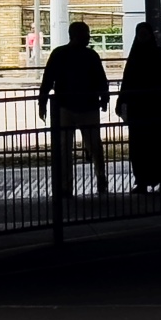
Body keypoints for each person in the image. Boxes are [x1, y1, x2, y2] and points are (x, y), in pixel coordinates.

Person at [39, 20, 110, 196]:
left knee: (64, 149)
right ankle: (100, 176)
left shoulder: (59, 54)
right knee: (94, 145)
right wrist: (104, 99)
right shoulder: (91, 55)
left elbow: (48, 79)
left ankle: (65, 186)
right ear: (79, 36)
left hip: (65, 105)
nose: (89, 37)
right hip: (88, 105)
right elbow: (101, 79)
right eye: (86, 34)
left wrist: (42, 102)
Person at [116, 22, 161, 193]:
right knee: (155, 144)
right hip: (155, 108)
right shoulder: (160, 53)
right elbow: (128, 81)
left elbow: (128, 81)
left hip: (147, 109)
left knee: (147, 145)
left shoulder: (137, 56)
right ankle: (149, 181)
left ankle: (150, 181)